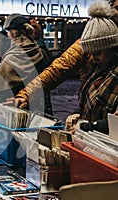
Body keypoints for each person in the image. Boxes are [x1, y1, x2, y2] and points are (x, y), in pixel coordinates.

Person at [15, 0, 118, 133]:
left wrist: (90, 126)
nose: (94, 58)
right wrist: (27, 94)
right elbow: (58, 69)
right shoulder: (96, 38)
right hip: (92, 126)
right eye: (116, 7)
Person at [66, 0, 118, 133]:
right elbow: (89, 103)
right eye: (91, 54)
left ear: (112, 48)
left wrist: (87, 127)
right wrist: (77, 113)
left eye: (98, 53)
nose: (94, 59)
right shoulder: (98, 71)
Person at [0, 14, 50, 112]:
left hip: (12, 102)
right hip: (33, 100)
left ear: (14, 33)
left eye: (8, 31)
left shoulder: (13, 55)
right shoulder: (39, 52)